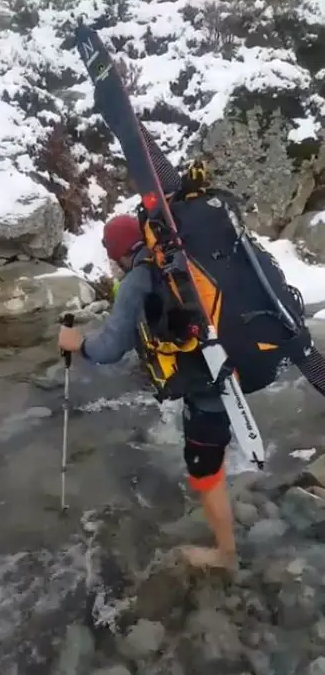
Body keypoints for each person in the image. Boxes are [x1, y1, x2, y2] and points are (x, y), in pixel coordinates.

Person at [58, 212, 241, 571]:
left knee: (204, 470)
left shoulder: (139, 278)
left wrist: (77, 342)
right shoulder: (177, 255)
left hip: (207, 386)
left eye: (112, 258)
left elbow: (110, 349)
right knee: (215, 451)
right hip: (231, 359)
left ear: (118, 254)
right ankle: (229, 498)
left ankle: (226, 554)